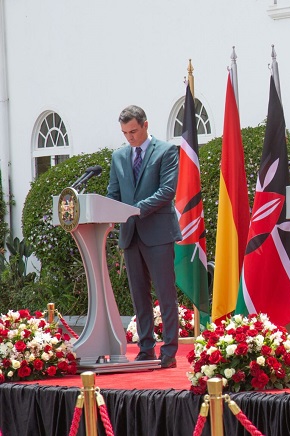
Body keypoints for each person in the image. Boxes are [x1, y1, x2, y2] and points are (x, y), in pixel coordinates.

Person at [107, 105, 182, 369]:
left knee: (165, 293)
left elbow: (167, 191)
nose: (130, 137)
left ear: (146, 125)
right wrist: (106, 213)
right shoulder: (118, 157)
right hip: (130, 235)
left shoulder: (166, 151)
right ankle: (146, 349)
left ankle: (170, 350)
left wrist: (135, 210)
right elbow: (113, 193)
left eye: (134, 131)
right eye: (125, 133)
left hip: (158, 233)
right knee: (139, 295)